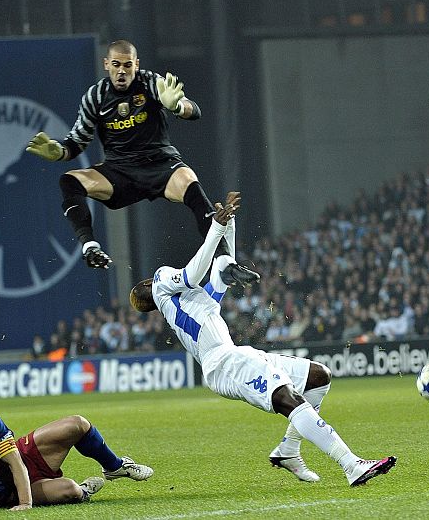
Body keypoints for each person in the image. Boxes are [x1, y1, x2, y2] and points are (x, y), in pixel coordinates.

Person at [129, 192, 396, 486]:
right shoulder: (161, 283)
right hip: (223, 363)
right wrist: (216, 228)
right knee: (287, 398)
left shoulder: (194, 302)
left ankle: (288, 451)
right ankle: (351, 465)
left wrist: (228, 225)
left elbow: (222, 265)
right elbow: (193, 273)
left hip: (232, 356)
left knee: (318, 376)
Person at [25, 39, 258, 286]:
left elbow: (195, 111)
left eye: (127, 65)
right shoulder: (95, 97)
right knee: (69, 180)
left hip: (160, 164)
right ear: (106, 64)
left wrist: (177, 106)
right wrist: (59, 151)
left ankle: (225, 264)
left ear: (136, 64)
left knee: (190, 183)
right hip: (119, 172)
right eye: (116, 64)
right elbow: (76, 142)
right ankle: (90, 247)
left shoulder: (150, 82)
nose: (122, 71)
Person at [0, 381, 153, 515]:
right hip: (2, 498)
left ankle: (115, 467)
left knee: (76, 424)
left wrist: (26, 504)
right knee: (71, 491)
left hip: (21, 466)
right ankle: (84, 491)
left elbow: (15, 462)